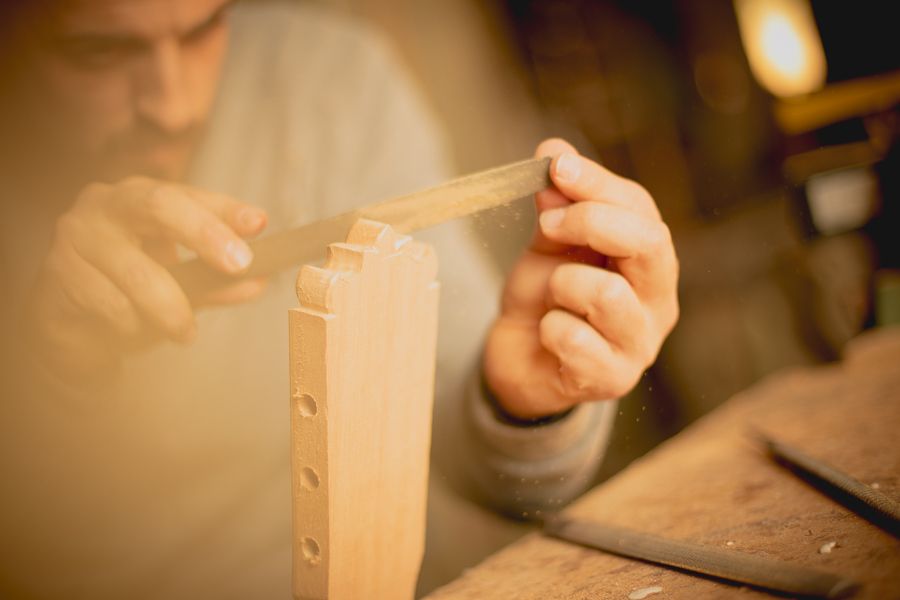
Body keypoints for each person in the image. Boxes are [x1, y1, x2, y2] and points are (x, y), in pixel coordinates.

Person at [0, 0, 679, 597]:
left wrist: (521, 401)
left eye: (206, 27)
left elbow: (490, 473)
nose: (173, 105)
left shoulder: (333, 81)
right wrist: (47, 375)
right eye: (97, 50)